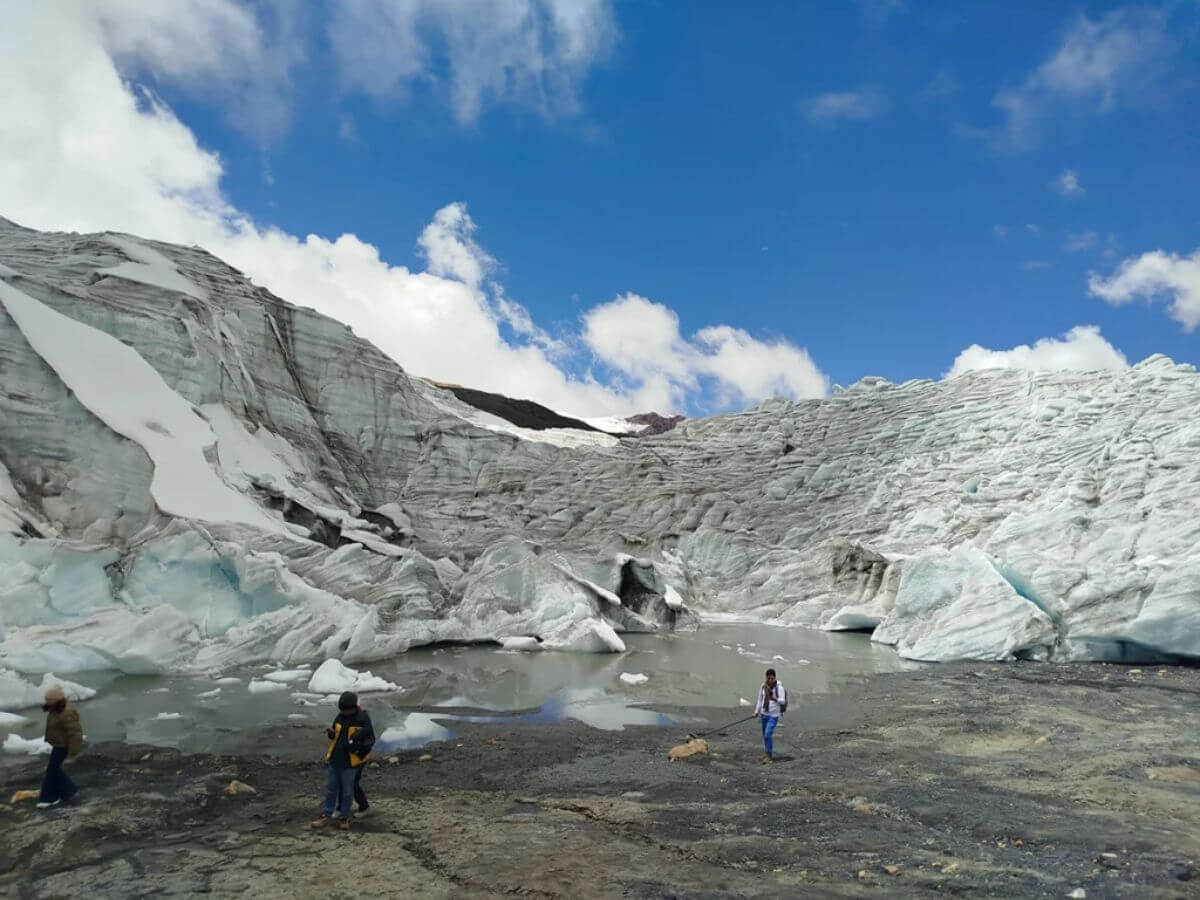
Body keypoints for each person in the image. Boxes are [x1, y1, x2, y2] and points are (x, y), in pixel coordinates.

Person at [311, 691, 375, 831]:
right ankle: (328, 814)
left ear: (354, 707)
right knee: (331, 788)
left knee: (348, 789)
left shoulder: (362, 718)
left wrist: (357, 750)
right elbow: (335, 735)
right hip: (336, 759)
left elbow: (370, 739)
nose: (344, 712)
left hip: (352, 761)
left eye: (347, 710)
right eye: (342, 710)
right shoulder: (340, 716)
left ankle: (346, 814)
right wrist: (331, 733)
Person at [38, 685, 83, 808]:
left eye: (48, 700)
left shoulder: (66, 712)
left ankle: (49, 798)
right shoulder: (56, 709)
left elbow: (75, 733)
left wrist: (73, 751)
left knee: (52, 771)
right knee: (54, 769)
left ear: (55, 700)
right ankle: (69, 791)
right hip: (58, 744)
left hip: (63, 745)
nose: (46, 702)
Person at [752, 667, 786, 764]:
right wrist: (756, 711)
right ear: (766, 678)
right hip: (764, 714)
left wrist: (774, 698)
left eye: (772, 678)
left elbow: (782, 701)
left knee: (768, 734)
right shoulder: (763, 686)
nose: (770, 680)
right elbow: (760, 699)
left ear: (775, 677)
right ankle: (766, 754)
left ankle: (769, 757)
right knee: (765, 736)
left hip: (773, 715)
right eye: (768, 678)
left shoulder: (779, 688)